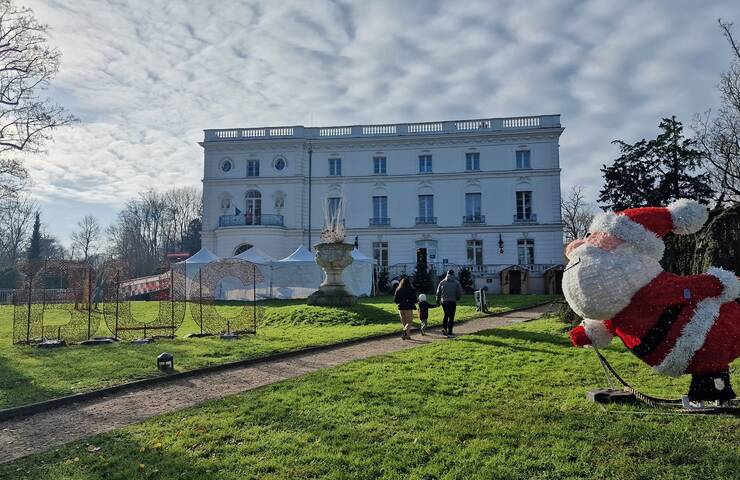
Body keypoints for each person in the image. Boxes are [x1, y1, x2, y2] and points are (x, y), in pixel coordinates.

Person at [436, 269, 462, 337]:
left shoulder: (442, 282)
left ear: (447, 274)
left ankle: (444, 328)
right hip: (452, 301)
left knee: (446, 315)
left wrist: (438, 301)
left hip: (444, 301)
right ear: (453, 275)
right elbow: (459, 293)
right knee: (451, 317)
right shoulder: (456, 283)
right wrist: (457, 298)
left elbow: (438, 293)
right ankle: (450, 332)